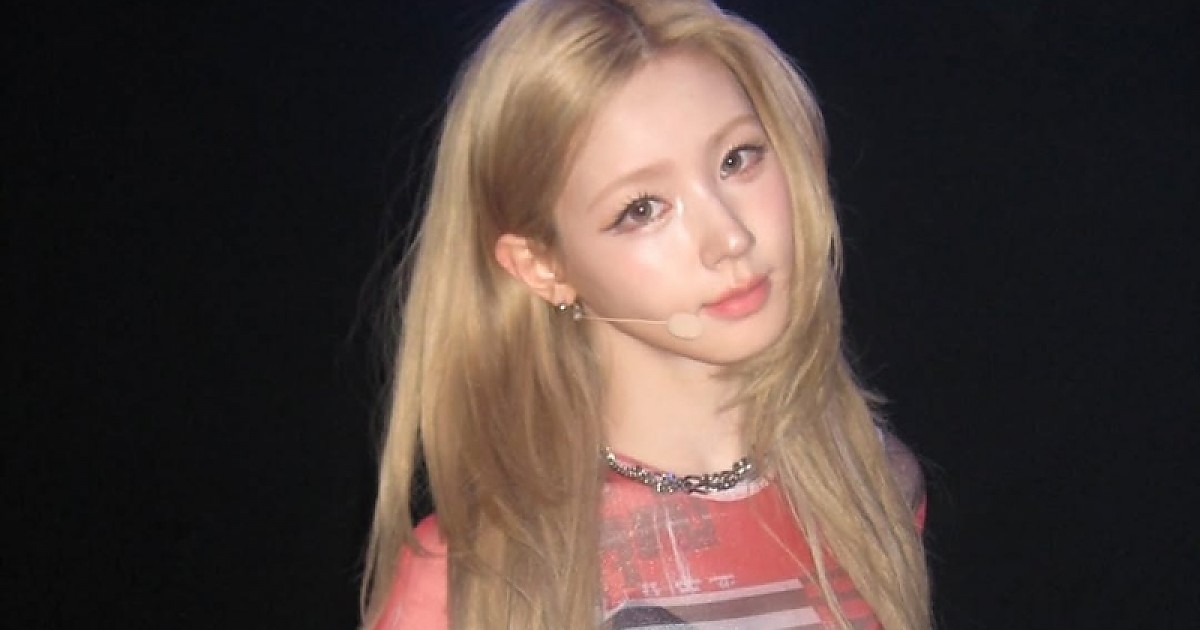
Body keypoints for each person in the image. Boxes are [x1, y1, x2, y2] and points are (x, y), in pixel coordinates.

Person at [361, 0, 930, 628]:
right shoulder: (475, 582)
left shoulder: (872, 487)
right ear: (542, 267)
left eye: (737, 159)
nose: (729, 237)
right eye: (642, 209)